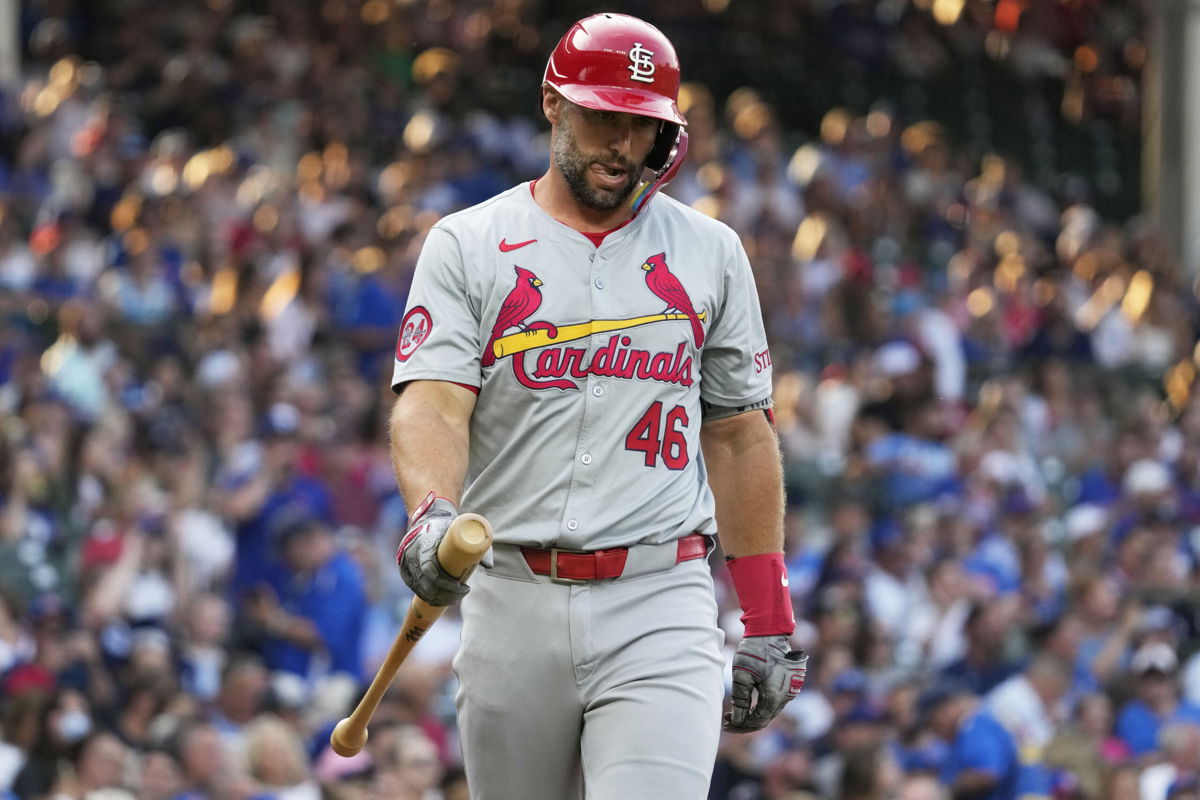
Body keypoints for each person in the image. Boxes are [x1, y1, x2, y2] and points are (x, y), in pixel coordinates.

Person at [386, 13, 806, 798]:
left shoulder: (710, 252)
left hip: (660, 593)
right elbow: (434, 403)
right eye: (600, 114)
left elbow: (741, 437)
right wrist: (431, 512)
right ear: (553, 103)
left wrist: (770, 618)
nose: (620, 141)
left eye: (641, 124)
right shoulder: (467, 242)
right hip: (511, 589)